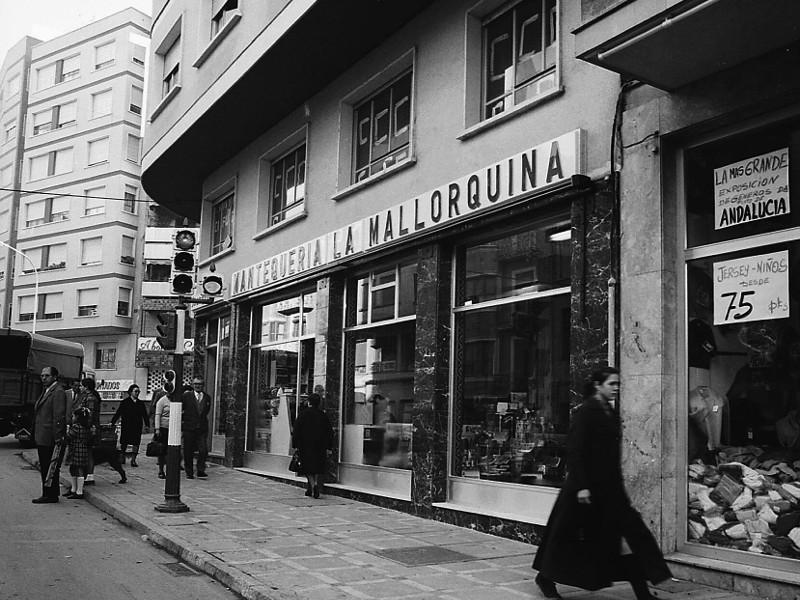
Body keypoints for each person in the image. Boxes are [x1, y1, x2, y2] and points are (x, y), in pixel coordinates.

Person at [532, 367, 671, 600]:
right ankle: (545, 578)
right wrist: (582, 486)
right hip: (582, 491)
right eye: (611, 384)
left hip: (611, 490)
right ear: (598, 385)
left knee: (631, 536)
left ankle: (643, 593)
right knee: (565, 539)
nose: (616, 388)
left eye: (618, 384)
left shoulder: (609, 411)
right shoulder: (585, 412)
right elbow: (575, 452)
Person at [32, 366, 68, 504]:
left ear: (54, 377)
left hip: (50, 437)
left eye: (46, 375)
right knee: (46, 465)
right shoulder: (46, 390)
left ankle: (49, 495)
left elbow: (58, 416)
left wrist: (58, 437)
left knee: (50, 466)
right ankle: (50, 493)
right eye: (42, 376)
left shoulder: (58, 391)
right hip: (42, 435)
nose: (43, 378)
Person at [291, 393, 334, 499]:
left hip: (305, 444)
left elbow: (296, 430)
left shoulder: (303, 414)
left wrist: (295, 444)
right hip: (320, 445)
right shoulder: (323, 415)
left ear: (308, 402)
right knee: (315, 467)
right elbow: (330, 432)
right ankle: (310, 488)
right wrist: (329, 447)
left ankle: (314, 486)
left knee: (307, 467)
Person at [71, 378, 102, 485]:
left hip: (89, 430)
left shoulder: (90, 399)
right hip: (88, 429)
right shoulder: (87, 397)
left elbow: (90, 415)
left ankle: (89, 475)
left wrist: (84, 427)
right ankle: (85, 475)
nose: (80, 387)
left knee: (88, 452)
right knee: (86, 452)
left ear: (86, 387)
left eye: (82, 386)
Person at [111, 384, 149, 467]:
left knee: (136, 443)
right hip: (127, 425)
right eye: (135, 391)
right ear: (130, 392)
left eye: (138, 392)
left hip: (137, 426)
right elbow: (118, 413)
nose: (137, 393)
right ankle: (122, 457)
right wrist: (112, 422)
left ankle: (133, 460)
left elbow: (144, 415)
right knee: (124, 442)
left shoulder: (140, 403)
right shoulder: (125, 402)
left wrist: (147, 424)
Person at [181, 378, 211, 479]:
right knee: (188, 451)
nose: (197, 386)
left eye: (200, 384)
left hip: (201, 428)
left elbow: (205, 412)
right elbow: (182, 409)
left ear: (203, 385)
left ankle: (200, 469)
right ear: (192, 385)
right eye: (196, 384)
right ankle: (189, 471)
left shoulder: (207, 398)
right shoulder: (187, 396)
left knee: (203, 450)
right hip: (189, 427)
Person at [63, 406, 92, 499]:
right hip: (82, 449)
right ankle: (74, 490)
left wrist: (66, 431)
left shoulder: (76, 427)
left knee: (78, 470)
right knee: (75, 468)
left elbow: (69, 437)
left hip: (76, 449)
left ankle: (78, 491)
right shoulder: (86, 427)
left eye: (74, 416)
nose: (72, 418)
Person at [153, 389, 172, 479]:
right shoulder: (162, 401)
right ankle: (161, 470)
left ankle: (171, 469)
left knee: (172, 450)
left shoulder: (177, 400)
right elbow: (158, 415)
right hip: (163, 428)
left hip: (174, 429)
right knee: (162, 450)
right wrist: (157, 428)